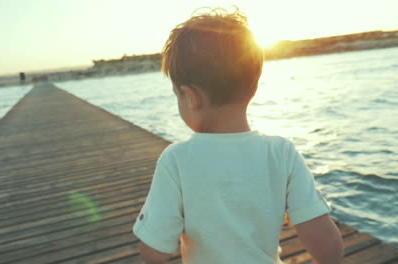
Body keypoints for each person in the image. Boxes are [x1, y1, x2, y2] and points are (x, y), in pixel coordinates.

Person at [132, 7, 343, 264]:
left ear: (191, 97)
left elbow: (154, 252)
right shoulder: (282, 152)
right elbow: (328, 245)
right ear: (252, 87)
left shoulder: (176, 160)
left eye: (177, 96)